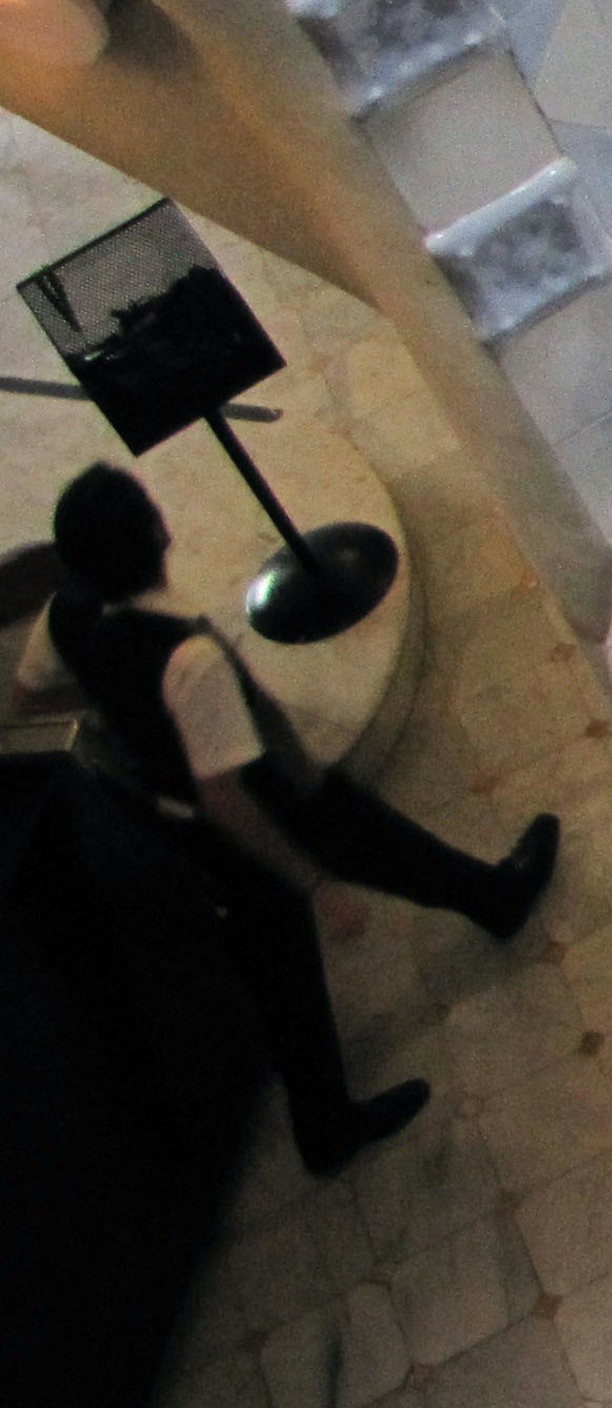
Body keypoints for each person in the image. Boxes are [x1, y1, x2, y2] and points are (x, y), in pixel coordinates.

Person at [16, 463, 558, 1175]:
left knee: (286, 983)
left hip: (182, 821)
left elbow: (26, 702)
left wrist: (117, 729)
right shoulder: (189, 659)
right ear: (155, 532)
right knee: (364, 868)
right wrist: (314, 885)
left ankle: (326, 1124)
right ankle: (496, 900)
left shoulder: (67, 616)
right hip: (262, 811)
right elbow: (227, 798)